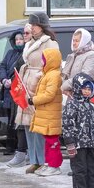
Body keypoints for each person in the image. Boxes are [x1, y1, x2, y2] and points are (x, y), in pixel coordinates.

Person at [17, 13, 59, 174]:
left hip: (39, 84)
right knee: (29, 125)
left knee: (40, 125)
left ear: (42, 25)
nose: (31, 27)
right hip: (28, 84)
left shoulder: (49, 43)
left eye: (34, 25)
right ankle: (34, 159)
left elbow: (53, 65)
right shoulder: (31, 42)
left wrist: (43, 79)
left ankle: (43, 159)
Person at [62, 73, 94, 188]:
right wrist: (70, 143)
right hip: (78, 144)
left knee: (92, 168)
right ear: (77, 88)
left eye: (90, 89)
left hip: (91, 144)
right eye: (84, 88)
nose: (87, 92)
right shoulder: (72, 105)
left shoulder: (92, 106)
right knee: (80, 169)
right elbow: (67, 125)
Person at [30, 47, 64, 176]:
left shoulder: (54, 75)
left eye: (44, 60)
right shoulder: (48, 74)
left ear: (50, 61)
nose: (42, 62)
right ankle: (48, 163)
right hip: (47, 114)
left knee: (52, 141)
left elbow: (49, 95)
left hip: (51, 114)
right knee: (48, 140)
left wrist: (34, 100)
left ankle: (54, 165)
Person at [0, 31, 27, 157]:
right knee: (10, 119)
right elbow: (2, 66)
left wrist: (13, 81)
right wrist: (4, 79)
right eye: (16, 39)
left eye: (21, 39)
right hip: (9, 91)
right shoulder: (10, 53)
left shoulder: (26, 53)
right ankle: (10, 146)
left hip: (19, 89)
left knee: (18, 119)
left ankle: (20, 147)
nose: (19, 41)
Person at [60, 28, 94, 95]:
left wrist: (63, 86)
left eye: (77, 41)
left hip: (87, 98)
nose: (74, 43)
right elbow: (66, 75)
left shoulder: (92, 56)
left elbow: (84, 77)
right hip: (74, 97)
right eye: (73, 41)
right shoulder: (74, 55)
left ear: (84, 41)